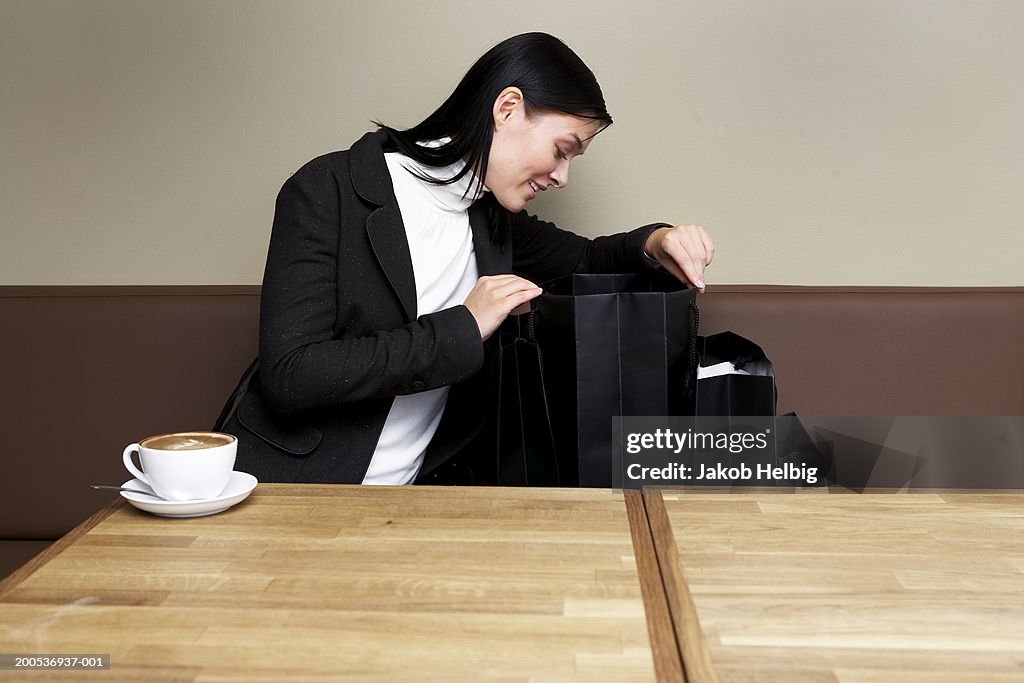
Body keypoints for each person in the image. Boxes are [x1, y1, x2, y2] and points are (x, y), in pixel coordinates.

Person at [227, 32, 714, 485]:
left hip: (422, 499)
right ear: (507, 108)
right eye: (562, 150)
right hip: (297, 491)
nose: (563, 177)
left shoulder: (491, 218)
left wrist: (658, 240)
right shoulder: (329, 189)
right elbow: (292, 373)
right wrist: (463, 326)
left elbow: (587, 257)